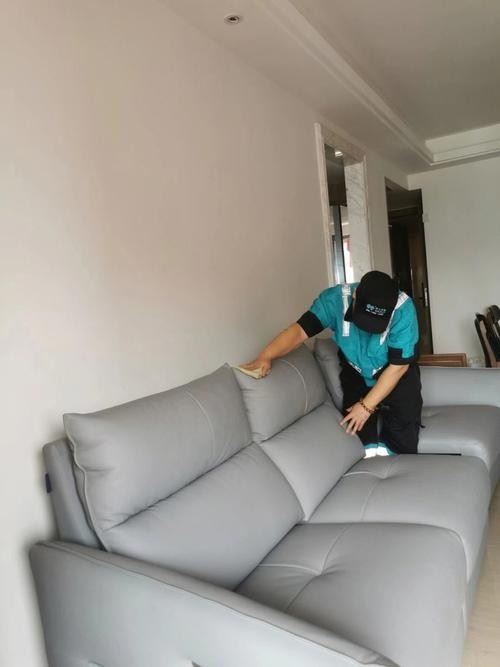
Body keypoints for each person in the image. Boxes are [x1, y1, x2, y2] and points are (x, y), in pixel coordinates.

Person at [242, 271, 422, 456]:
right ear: (355, 296)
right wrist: (266, 356)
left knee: (403, 425)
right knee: (356, 428)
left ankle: (399, 467)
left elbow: (399, 367)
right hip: (355, 370)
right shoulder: (334, 300)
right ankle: (369, 466)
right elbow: (299, 331)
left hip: (393, 371)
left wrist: (366, 406)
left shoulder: (404, 310)